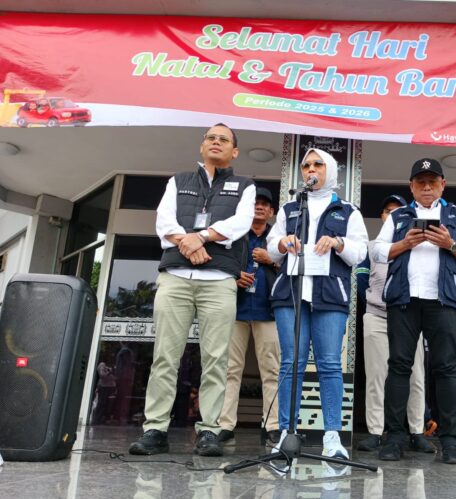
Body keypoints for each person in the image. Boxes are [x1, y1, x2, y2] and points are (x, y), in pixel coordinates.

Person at [129, 123, 255, 457]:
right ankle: (155, 429)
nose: (216, 142)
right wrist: (188, 242)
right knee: (165, 357)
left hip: (219, 281)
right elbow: (164, 221)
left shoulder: (245, 186)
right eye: (211, 138)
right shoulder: (178, 180)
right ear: (202, 146)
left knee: (216, 359)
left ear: (234, 151)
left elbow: (240, 224)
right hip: (176, 278)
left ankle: (210, 430)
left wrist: (199, 237)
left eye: (223, 139)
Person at [374, 158, 456, 464]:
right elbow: (377, 250)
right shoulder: (398, 216)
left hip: (442, 300)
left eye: (432, 182)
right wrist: (403, 244)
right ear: (411, 186)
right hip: (403, 300)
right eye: (420, 182)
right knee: (399, 367)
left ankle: (451, 442)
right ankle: (395, 438)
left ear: (442, 185)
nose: (426, 187)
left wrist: (450, 244)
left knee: (445, 368)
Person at [267, 147, 368, 459]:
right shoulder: (289, 208)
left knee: (329, 365)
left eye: (318, 165)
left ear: (331, 171)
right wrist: (282, 242)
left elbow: (360, 252)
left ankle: (332, 437)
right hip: (291, 294)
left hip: (330, 295)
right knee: (291, 363)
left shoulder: (347, 211)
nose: (311, 170)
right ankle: (286, 434)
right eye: (306, 165)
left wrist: (338, 242)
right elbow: (271, 249)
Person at [356, 194, 434, 453]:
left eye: (397, 210)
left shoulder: (418, 244)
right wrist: (375, 300)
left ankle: (416, 432)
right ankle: (376, 432)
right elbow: (361, 280)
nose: (392, 214)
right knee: (376, 376)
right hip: (377, 316)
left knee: (416, 376)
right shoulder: (371, 247)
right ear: (382, 217)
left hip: (410, 317)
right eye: (387, 211)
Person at [218, 187, 281, 445]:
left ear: (272, 212)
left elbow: (294, 268)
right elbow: (218, 264)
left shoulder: (278, 237)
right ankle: (225, 425)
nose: (259, 207)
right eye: (256, 203)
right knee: (229, 369)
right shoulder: (234, 236)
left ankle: (272, 425)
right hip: (235, 308)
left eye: (265, 204)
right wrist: (233, 278)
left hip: (269, 310)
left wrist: (271, 259)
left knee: (272, 371)